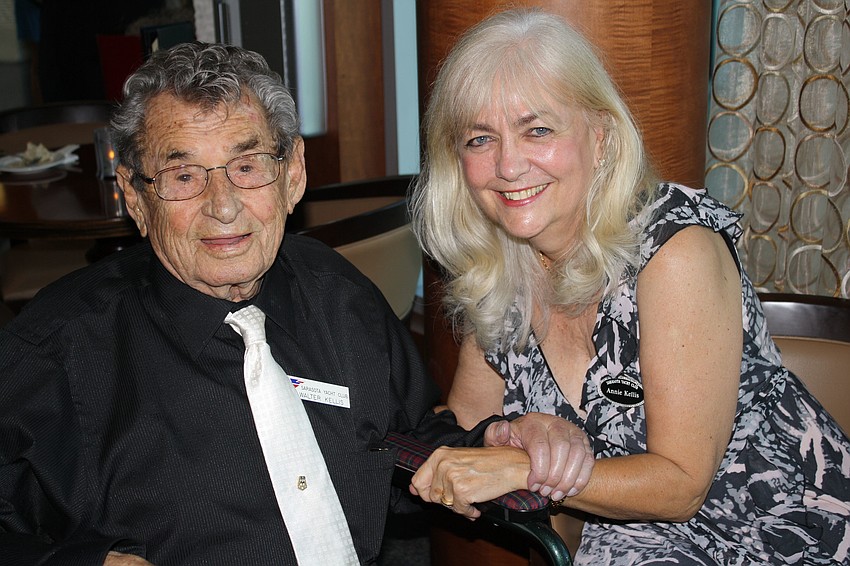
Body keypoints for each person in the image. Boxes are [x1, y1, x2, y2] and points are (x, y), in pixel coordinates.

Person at [0, 42, 591, 566]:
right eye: (183, 177)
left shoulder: (336, 295)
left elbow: (406, 441)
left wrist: (502, 441)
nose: (224, 206)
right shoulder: (56, 351)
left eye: (248, 166)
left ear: (294, 176)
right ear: (134, 195)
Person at [408, 8, 850, 565]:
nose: (508, 164)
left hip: (783, 528)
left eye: (537, 130)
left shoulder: (674, 249)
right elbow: (465, 427)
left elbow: (681, 485)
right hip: (637, 539)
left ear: (601, 135)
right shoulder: (497, 269)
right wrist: (512, 432)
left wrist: (524, 468)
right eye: (479, 139)